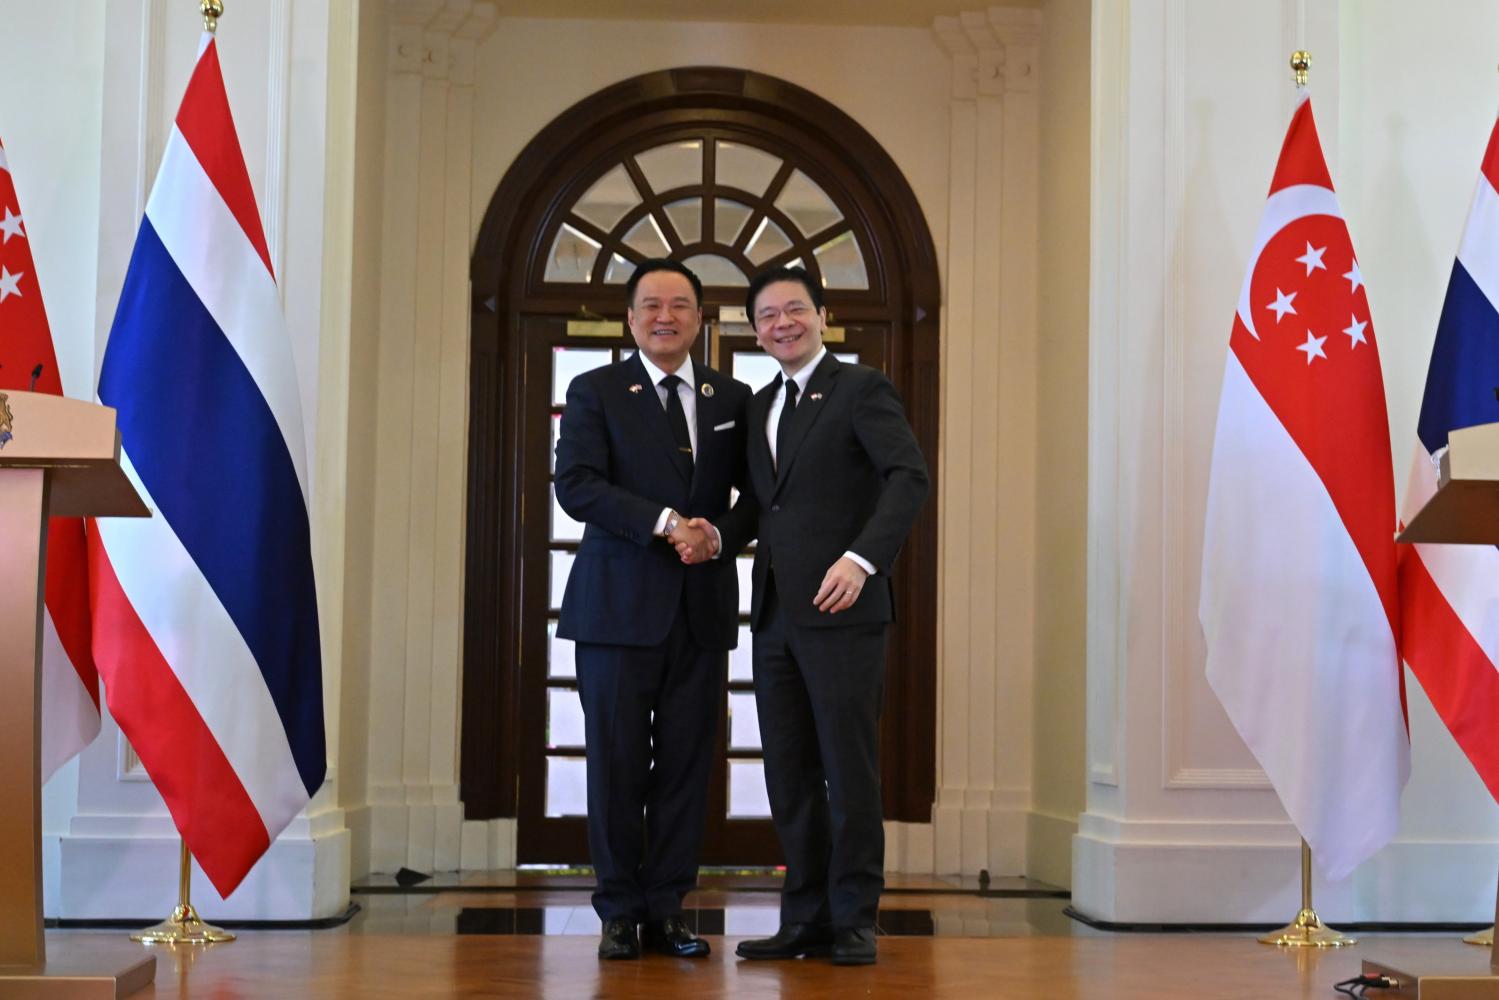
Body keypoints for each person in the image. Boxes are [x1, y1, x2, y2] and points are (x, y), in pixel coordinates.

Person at [724, 266, 928, 966]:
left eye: (794, 310)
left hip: (844, 610)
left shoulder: (860, 388)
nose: (781, 323)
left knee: (848, 769)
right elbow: (762, 505)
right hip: (775, 614)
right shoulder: (757, 407)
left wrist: (862, 560)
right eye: (767, 316)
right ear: (754, 330)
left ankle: (853, 920)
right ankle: (803, 918)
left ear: (821, 315)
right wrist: (714, 536)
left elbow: (908, 478)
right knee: (788, 772)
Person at [553, 258, 753, 960]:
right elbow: (576, 487)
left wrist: (719, 534)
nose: (664, 316)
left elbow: (754, 496)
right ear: (630, 317)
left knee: (685, 767)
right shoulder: (596, 390)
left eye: (679, 305)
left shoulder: (732, 397)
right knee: (613, 763)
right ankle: (616, 910)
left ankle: (667, 908)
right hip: (614, 613)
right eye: (650, 305)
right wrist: (667, 520)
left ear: (700, 318)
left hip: (699, 613)